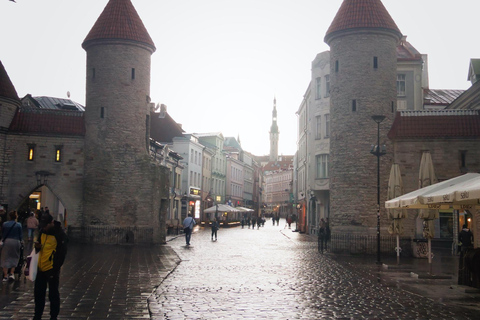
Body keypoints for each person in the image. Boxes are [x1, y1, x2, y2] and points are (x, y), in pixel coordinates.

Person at [33, 214, 68, 320]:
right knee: (38, 293)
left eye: (45, 225)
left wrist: (55, 268)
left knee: (53, 294)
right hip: (40, 267)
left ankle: (53, 316)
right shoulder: (42, 232)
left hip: (52, 268)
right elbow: (39, 248)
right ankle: (37, 315)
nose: (43, 228)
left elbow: (62, 253)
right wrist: (37, 247)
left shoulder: (60, 234)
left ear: (51, 223)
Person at [1, 211, 23, 281]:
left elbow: (3, 234)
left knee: (5, 257)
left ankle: (5, 275)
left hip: (7, 241)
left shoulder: (5, 224)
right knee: (15, 257)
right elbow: (20, 236)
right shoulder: (18, 225)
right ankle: (12, 273)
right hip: (16, 241)